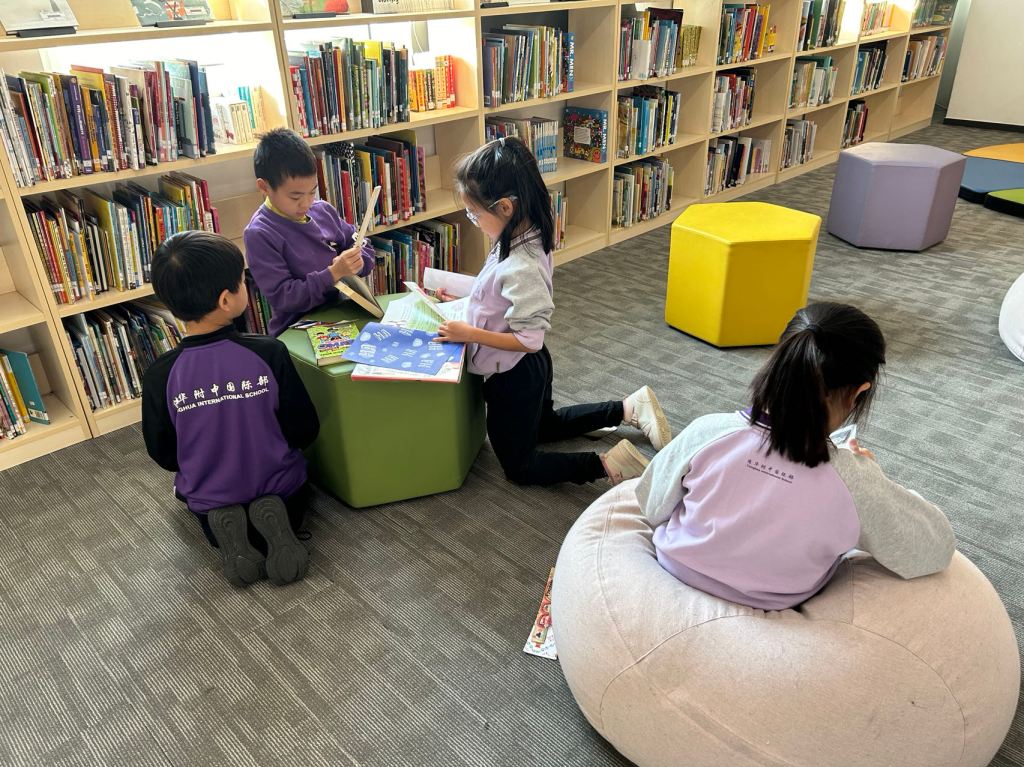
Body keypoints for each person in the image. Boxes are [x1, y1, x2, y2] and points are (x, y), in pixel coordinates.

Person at [636, 302, 956, 610]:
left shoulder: (708, 430)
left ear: (778, 361)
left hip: (675, 568)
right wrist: (874, 478)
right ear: (859, 392)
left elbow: (651, 504)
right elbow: (935, 550)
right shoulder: (853, 479)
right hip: (768, 604)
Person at [434, 137, 672, 486]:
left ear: (505, 207)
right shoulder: (521, 235)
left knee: (519, 467)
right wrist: (462, 292)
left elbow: (528, 339)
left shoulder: (521, 264)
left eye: (475, 213)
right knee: (544, 426)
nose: (473, 221)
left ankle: (608, 465)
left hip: (513, 374)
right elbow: (496, 291)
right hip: (528, 367)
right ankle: (628, 408)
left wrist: (469, 333)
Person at [142, 231, 320, 588]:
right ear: (226, 300)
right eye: (242, 280)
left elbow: (163, 453)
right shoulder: (268, 352)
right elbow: (304, 428)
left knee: (205, 507)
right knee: (298, 490)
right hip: (282, 491)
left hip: (209, 500)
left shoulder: (161, 374)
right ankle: (277, 522)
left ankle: (226, 528)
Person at [244, 127, 375, 336]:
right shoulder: (260, 233)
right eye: (295, 197)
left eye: (312, 192)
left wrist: (359, 261)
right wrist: (333, 274)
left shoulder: (322, 210)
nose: (306, 203)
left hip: (340, 315)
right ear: (264, 187)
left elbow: (359, 241)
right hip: (296, 328)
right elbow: (284, 297)